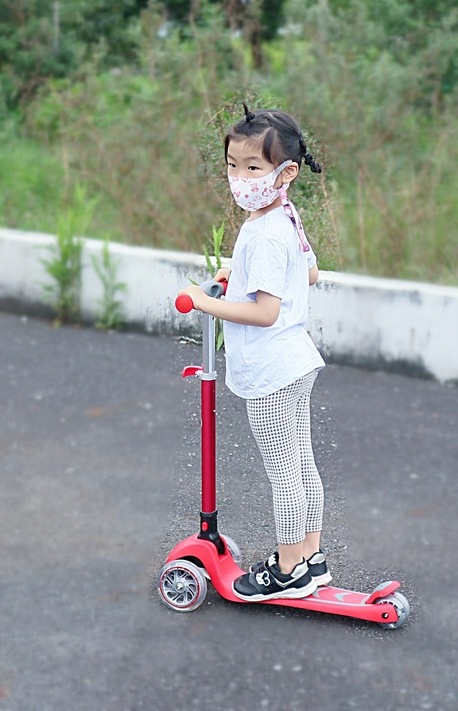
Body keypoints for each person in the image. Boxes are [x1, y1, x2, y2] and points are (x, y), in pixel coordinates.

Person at [177, 105, 329, 602]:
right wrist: (235, 279)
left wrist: (207, 302)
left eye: (253, 168)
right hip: (296, 359)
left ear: (285, 173)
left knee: (283, 472)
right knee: (301, 462)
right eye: (232, 165)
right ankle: (310, 556)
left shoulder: (264, 231)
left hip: (269, 369)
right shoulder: (284, 216)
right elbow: (307, 274)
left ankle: (288, 571)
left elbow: (264, 312)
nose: (239, 178)